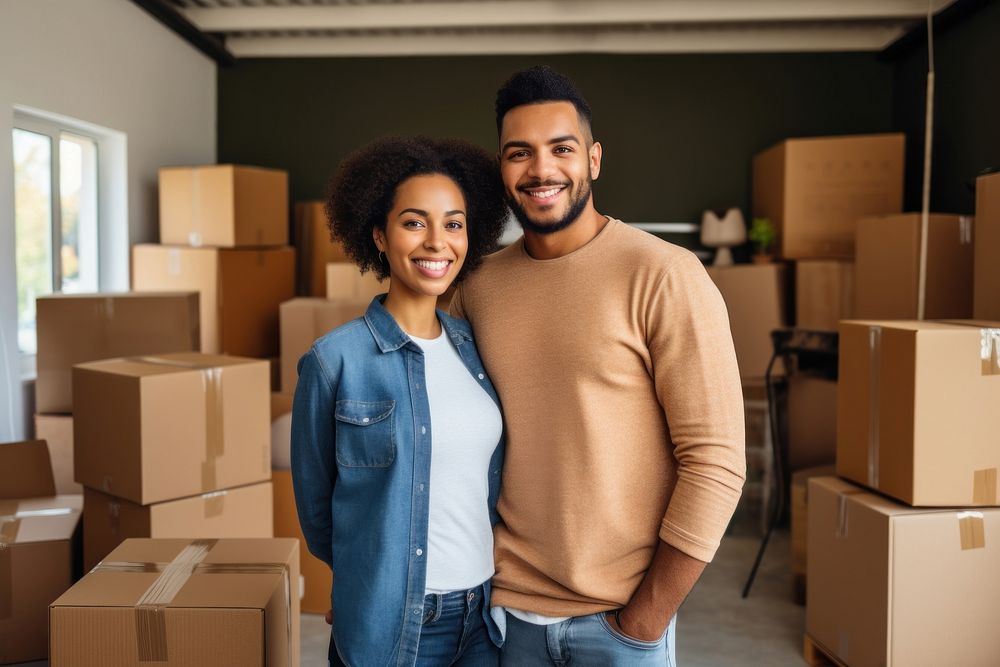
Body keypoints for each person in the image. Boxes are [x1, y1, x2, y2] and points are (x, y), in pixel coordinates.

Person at [451, 66, 746, 665]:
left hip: (618, 628)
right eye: (519, 153)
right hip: (503, 621)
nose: (541, 170)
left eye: (561, 149)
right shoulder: (475, 287)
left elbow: (715, 462)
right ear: (501, 168)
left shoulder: (664, 274)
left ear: (594, 159)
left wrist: (643, 620)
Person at [292, 136, 509, 666]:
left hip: (484, 619)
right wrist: (364, 582)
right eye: (415, 222)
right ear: (379, 237)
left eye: (453, 224)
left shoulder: (477, 349)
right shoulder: (334, 361)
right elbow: (317, 508)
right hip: (391, 625)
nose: (438, 242)